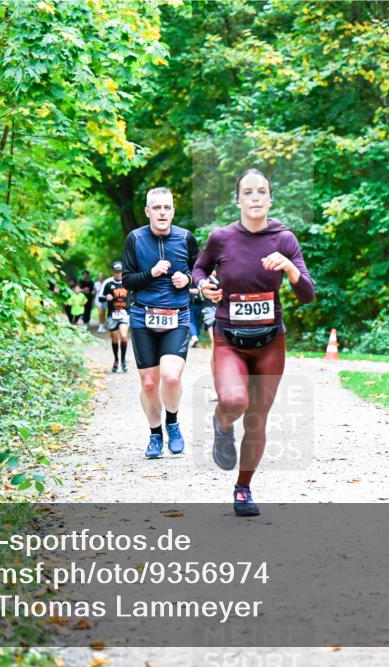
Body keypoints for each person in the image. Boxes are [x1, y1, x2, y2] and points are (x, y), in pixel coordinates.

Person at [193, 168, 315, 517]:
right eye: (248, 192)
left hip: (270, 341)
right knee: (235, 400)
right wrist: (204, 286)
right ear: (238, 200)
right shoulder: (221, 238)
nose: (256, 197)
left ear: (271, 199)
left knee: (258, 418)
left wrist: (290, 269)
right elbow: (199, 269)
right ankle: (222, 422)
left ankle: (243, 488)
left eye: (262, 191)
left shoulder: (285, 239)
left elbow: (307, 293)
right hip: (229, 336)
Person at [122, 187, 199, 459]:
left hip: (177, 315)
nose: (162, 212)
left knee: (170, 376)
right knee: (149, 384)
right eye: (157, 208)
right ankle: (155, 435)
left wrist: (188, 280)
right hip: (143, 316)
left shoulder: (186, 238)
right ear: (147, 211)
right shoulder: (135, 238)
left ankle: (173, 423)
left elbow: (200, 271)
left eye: (167, 207)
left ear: (173, 211)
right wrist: (151, 273)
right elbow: (127, 280)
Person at [100, 262, 130, 373]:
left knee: (123, 336)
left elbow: (134, 295)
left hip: (124, 314)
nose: (118, 274)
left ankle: (123, 361)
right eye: (116, 272)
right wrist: (106, 297)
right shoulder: (108, 283)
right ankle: (116, 360)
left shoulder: (128, 282)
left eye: (120, 271)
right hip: (112, 315)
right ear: (113, 272)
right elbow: (100, 298)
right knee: (114, 339)